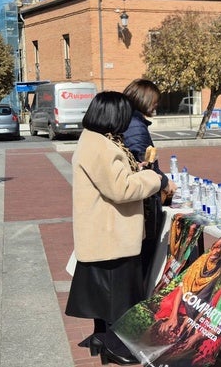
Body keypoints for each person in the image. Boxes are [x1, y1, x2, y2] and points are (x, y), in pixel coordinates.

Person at [65, 91, 162, 365]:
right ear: (114, 115)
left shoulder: (97, 140)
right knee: (119, 297)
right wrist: (152, 177)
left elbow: (116, 179)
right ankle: (116, 346)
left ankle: (102, 339)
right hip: (111, 234)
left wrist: (137, 169)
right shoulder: (101, 146)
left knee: (107, 294)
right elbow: (122, 189)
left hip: (105, 231)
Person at [122, 78, 177, 291]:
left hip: (142, 198)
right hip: (145, 202)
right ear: (144, 99)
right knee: (144, 258)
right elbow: (144, 165)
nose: (157, 105)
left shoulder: (131, 121)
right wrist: (164, 181)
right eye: (154, 100)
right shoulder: (135, 125)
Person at [154, 236, 221, 336]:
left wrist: (193, 319)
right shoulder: (201, 262)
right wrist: (173, 316)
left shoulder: (219, 271)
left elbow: (208, 300)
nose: (216, 250)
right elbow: (182, 287)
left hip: (196, 308)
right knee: (167, 311)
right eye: (215, 247)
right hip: (182, 300)